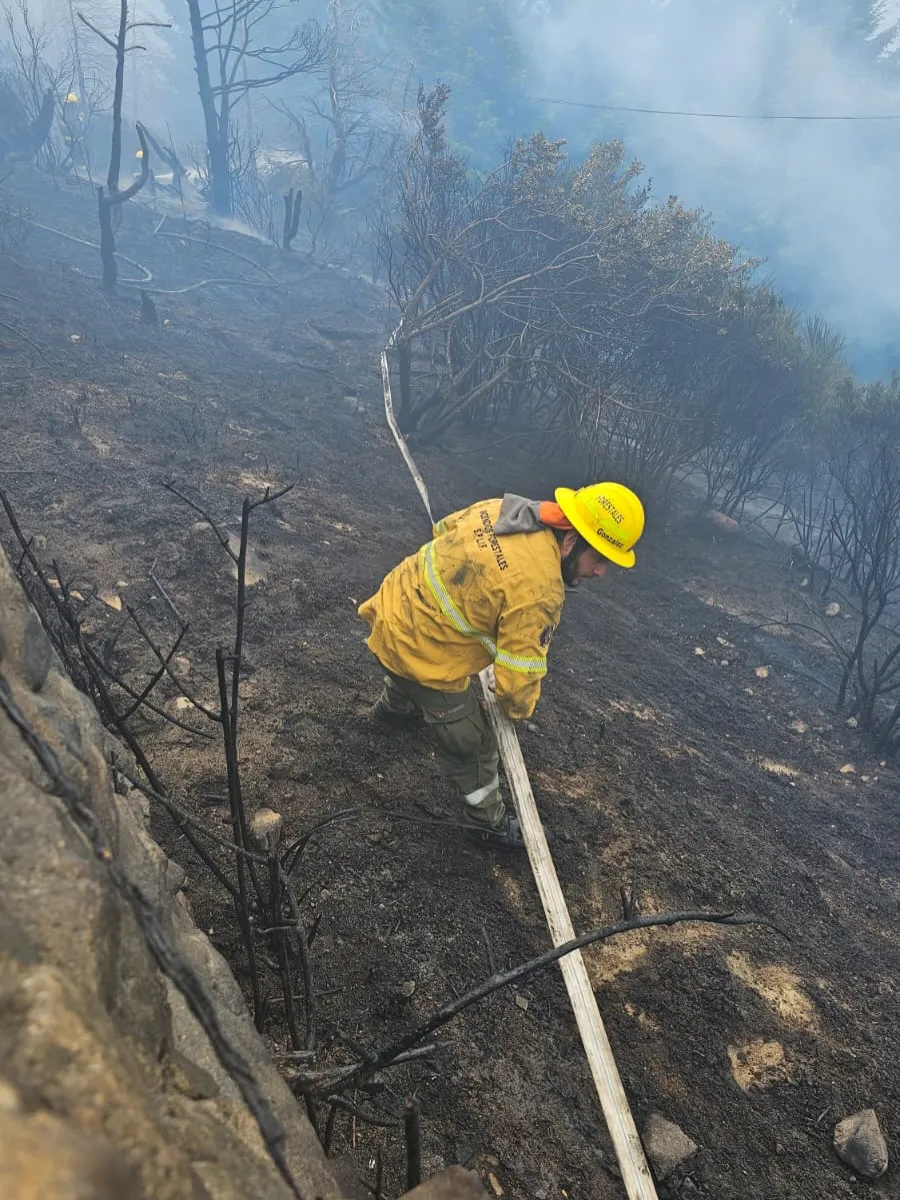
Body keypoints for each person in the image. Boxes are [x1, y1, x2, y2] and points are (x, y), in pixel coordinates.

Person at [358, 483, 645, 849]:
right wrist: (512, 710)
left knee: (413, 659)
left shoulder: (504, 509)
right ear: (571, 540)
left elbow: (443, 529)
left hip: (394, 603)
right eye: (600, 558)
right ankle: (488, 822)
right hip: (421, 650)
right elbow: (516, 684)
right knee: (474, 743)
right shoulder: (539, 590)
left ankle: (394, 709)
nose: (601, 572)